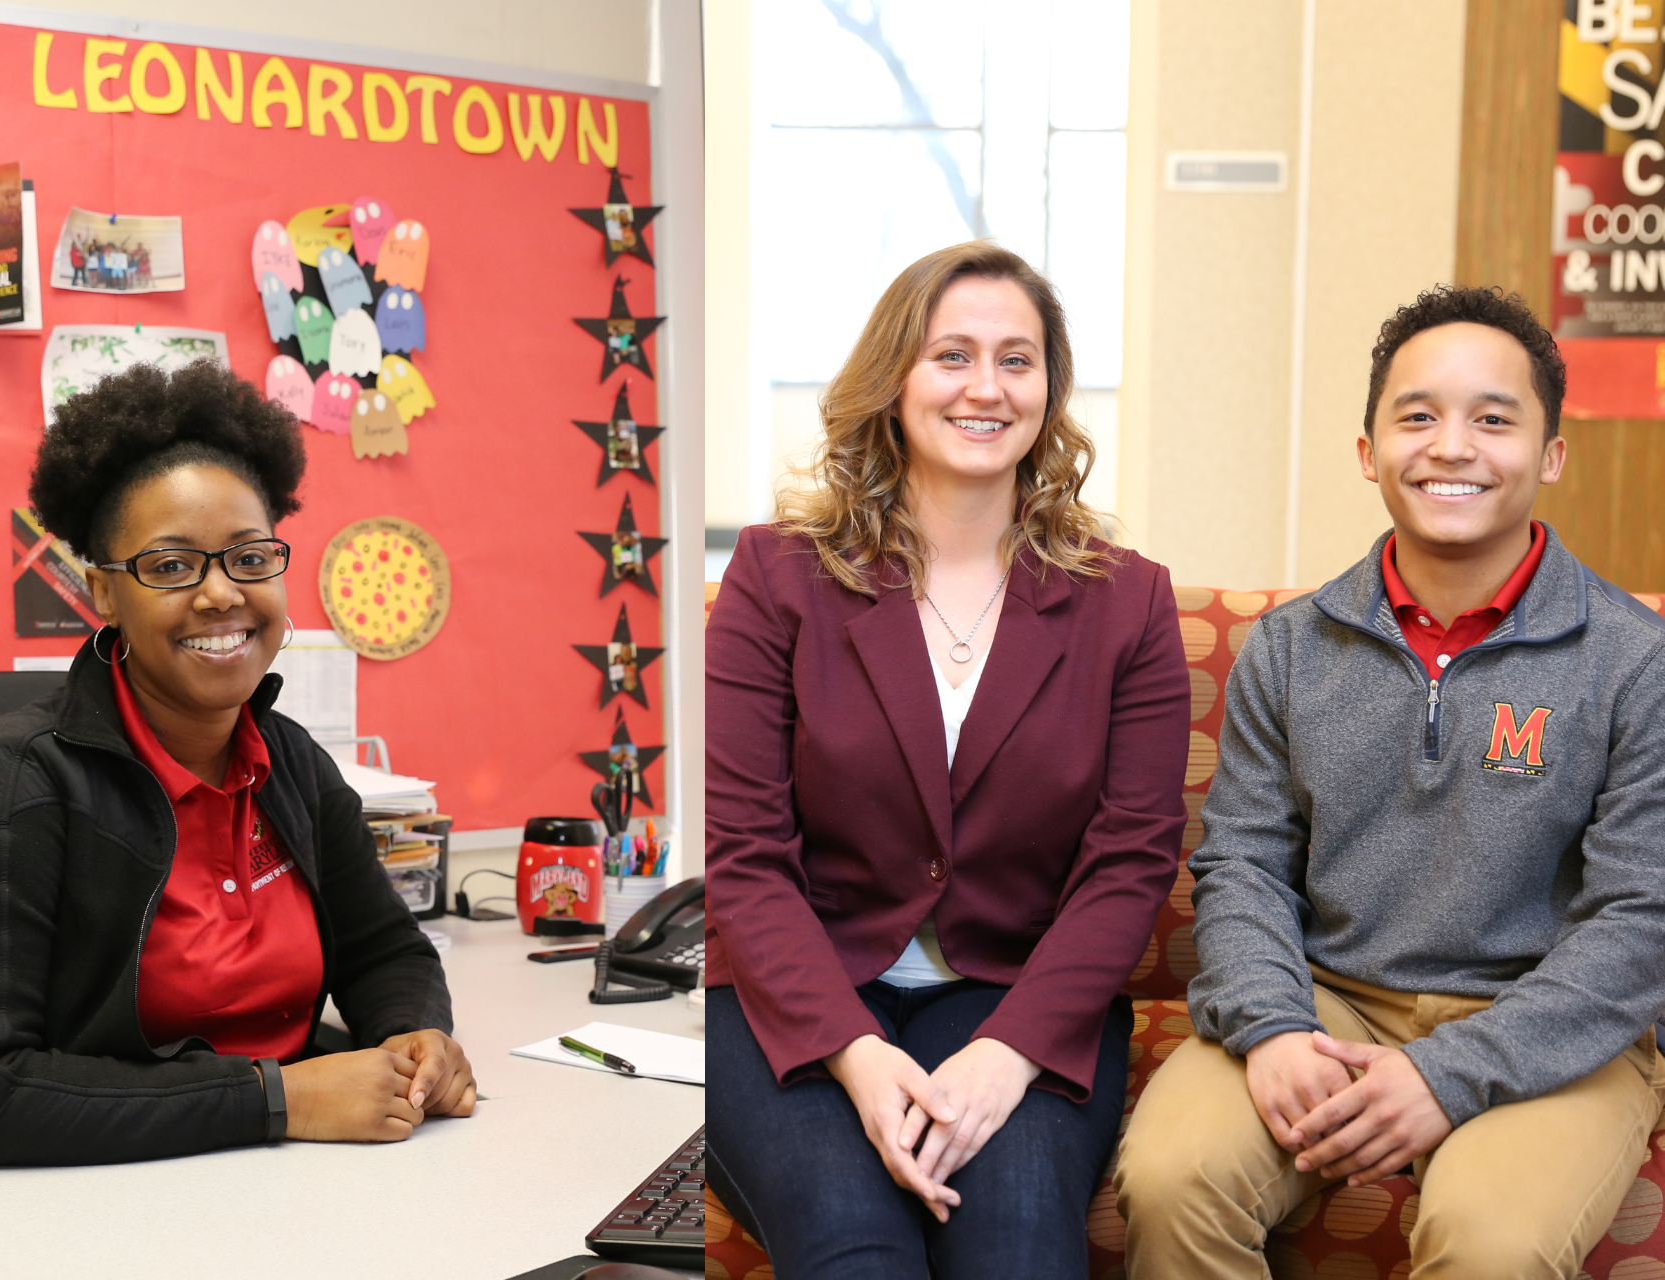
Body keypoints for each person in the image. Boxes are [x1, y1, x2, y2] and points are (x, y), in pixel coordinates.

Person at [1115, 285, 1665, 1279]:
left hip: (1547, 1021)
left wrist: (1445, 1073)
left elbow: (1641, 919)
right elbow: (1241, 863)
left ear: (1549, 455)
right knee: (1172, 1176)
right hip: (1328, 997)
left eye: (1493, 419)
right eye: (1418, 415)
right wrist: (1275, 1025)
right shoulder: (1290, 648)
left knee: (1492, 1239)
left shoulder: (1635, 659)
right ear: (1368, 451)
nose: (1452, 446)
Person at [705, 240, 1192, 1278]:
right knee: (856, 1247)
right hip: (800, 994)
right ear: (895, 380)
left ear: (1050, 389)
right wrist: (860, 1055)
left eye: (1017, 360)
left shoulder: (1129, 600)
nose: (986, 386)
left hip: (1021, 992)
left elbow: (1132, 859)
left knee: (1017, 1249)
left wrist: (1006, 1054)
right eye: (952, 355)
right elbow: (744, 852)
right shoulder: (773, 576)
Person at [0, 360, 474, 1167]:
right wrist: (277, 1098)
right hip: (95, 1201)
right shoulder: (12, 785)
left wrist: (415, 1036)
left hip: (288, 1178)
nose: (220, 595)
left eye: (248, 557)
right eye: (170, 567)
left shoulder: (290, 763)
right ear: (103, 594)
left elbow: (385, 951)